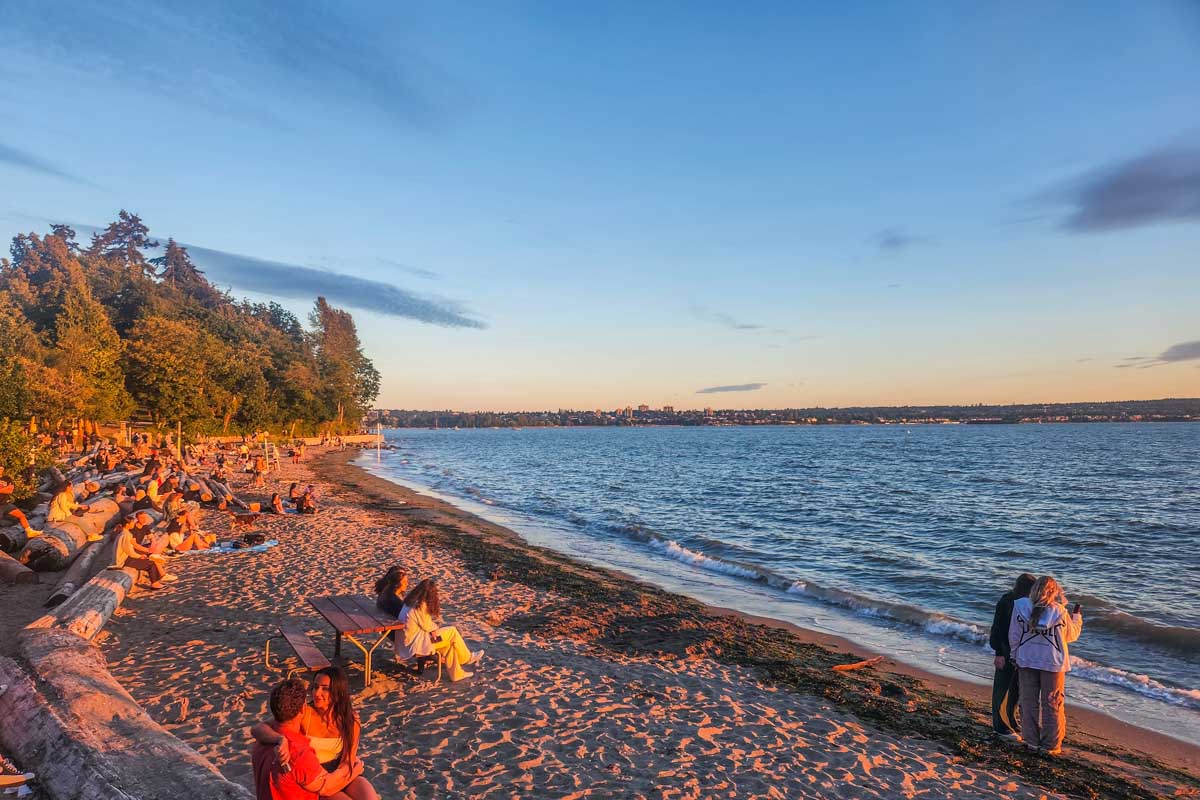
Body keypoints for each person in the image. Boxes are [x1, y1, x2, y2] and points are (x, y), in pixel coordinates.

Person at [251, 668, 378, 800]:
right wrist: (279, 739)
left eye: (325, 688)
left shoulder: (351, 719)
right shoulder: (304, 713)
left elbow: (348, 760)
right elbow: (257, 729)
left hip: (341, 770)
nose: (317, 693)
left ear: (338, 692)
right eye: (315, 687)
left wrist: (342, 777)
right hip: (315, 775)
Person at [1008, 575, 1083, 755]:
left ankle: (1030, 739)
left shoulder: (1020, 607)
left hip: (1027, 658)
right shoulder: (1059, 612)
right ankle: (1051, 744)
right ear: (1053, 592)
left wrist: (1014, 655)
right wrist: (1077, 618)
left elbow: (1014, 635)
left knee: (1028, 701)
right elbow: (1071, 636)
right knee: (1052, 704)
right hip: (1052, 662)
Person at [394, 578, 483, 682]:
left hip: (408, 641)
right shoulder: (420, 605)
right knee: (452, 632)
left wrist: (433, 630)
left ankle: (457, 674)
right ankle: (467, 658)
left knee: (449, 643)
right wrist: (435, 629)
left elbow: (425, 626)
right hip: (415, 644)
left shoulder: (410, 601)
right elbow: (428, 626)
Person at [989, 572, 1036, 739]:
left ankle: (1011, 719)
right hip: (1006, 648)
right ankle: (1000, 726)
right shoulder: (1007, 601)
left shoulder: (1028, 604)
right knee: (1002, 688)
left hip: (1020, 651)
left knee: (1015, 688)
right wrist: (999, 653)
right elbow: (998, 628)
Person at [113, 516, 169, 589]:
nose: (133, 524)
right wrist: (139, 556)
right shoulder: (126, 535)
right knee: (151, 564)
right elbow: (129, 551)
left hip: (122, 558)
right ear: (127, 524)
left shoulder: (123, 533)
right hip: (124, 560)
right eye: (132, 523)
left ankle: (159, 579)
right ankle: (155, 584)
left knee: (149, 560)